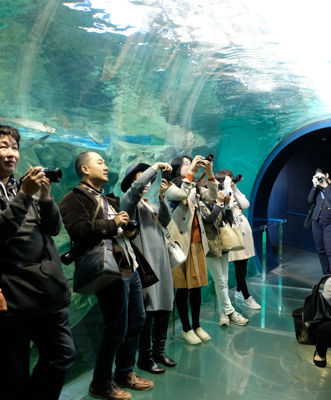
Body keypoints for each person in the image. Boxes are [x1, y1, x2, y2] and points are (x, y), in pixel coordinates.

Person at [0, 124, 75, 399]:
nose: (12, 154)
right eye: (3, 147)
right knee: (13, 375)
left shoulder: (21, 187)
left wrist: (44, 196)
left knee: (63, 354)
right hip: (5, 293)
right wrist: (25, 195)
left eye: (15, 148)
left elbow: (53, 228)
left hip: (43, 287)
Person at [59, 152, 158, 400]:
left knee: (137, 320)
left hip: (129, 265)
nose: (105, 166)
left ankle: (124, 372)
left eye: (105, 162)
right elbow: (78, 231)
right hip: (109, 269)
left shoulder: (109, 198)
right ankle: (101, 383)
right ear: (84, 169)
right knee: (116, 327)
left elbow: (123, 229)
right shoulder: (73, 199)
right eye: (100, 162)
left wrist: (127, 226)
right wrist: (113, 224)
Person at [119, 161, 177, 374]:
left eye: (148, 178)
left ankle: (159, 352)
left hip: (161, 263)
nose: (146, 182)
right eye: (140, 177)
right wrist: (154, 167)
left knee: (164, 307)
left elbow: (165, 220)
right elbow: (135, 190)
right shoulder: (128, 202)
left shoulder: (150, 205)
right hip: (144, 265)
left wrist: (162, 197)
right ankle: (145, 357)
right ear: (131, 181)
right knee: (148, 311)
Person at [166, 155, 218, 344]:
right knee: (182, 288)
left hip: (196, 244)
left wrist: (210, 173)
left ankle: (196, 325)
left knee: (195, 288)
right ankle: (186, 328)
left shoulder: (194, 187)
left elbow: (213, 196)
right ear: (176, 168)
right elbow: (180, 195)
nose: (191, 165)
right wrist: (192, 173)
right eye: (186, 163)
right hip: (180, 246)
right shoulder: (169, 187)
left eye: (191, 162)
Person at [200, 188, 249, 326]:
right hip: (210, 248)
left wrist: (227, 205)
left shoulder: (216, 203)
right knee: (220, 280)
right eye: (207, 187)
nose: (213, 188)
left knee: (224, 280)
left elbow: (229, 220)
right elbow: (210, 220)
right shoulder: (199, 205)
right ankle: (231, 312)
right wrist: (220, 203)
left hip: (223, 244)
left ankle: (223, 314)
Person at [215, 170, 261, 310]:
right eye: (227, 179)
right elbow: (226, 208)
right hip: (232, 231)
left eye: (231, 178)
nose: (231, 181)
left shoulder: (234, 191)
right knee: (239, 266)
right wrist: (228, 189)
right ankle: (247, 297)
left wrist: (235, 189)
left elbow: (246, 205)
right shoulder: (219, 194)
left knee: (244, 262)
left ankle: (240, 292)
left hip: (243, 230)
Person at [304, 168, 331, 275]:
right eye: (317, 177)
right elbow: (310, 200)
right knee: (321, 251)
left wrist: (325, 185)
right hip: (316, 222)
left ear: (327, 175)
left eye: (321, 176)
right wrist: (315, 186)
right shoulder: (317, 188)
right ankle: (326, 276)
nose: (319, 179)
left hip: (330, 223)